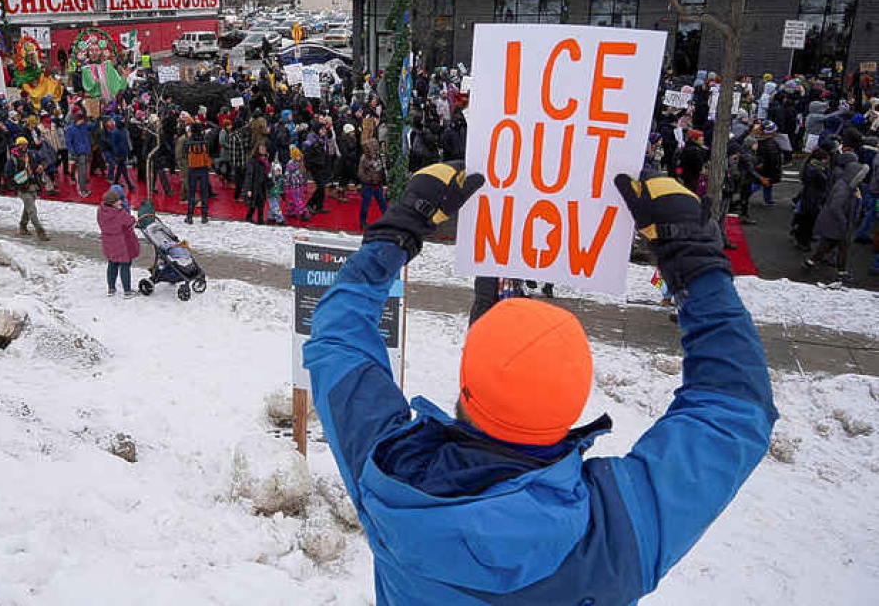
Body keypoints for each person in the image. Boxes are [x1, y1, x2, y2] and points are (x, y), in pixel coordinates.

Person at [304, 163, 776, 605]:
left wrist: (395, 234)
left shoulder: (388, 476)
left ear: (466, 381)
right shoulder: (619, 533)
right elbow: (734, 407)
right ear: (573, 405)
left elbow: (339, 339)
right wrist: (694, 265)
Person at [806, 152, 870, 280]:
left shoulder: (848, 185)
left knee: (828, 244)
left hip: (837, 223)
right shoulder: (844, 188)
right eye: (861, 176)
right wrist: (844, 221)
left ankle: (812, 261)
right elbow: (836, 206)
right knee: (842, 247)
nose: (862, 179)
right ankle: (841, 272)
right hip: (838, 223)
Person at [97, 187, 140, 297]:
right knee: (125, 265)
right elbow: (130, 221)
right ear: (113, 203)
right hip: (122, 244)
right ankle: (127, 291)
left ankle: (111, 288)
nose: (120, 201)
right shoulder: (119, 213)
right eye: (118, 200)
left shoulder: (101, 211)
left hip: (109, 242)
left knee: (112, 264)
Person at [4, 136, 50, 241]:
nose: (23, 146)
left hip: (33, 185)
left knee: (28, 208)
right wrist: (15, 186)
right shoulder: (13, 159)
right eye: (21, 144)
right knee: (32, 210)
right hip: (22, 188)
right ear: (17, 146)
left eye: (25, 144)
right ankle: (41, 232)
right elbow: (8, 175)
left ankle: (22, 227)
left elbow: (44, 160)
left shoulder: (32, 154)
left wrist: (42, 166)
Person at [357, 139, 387, 231]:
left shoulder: (379, 156)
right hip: (368, 185)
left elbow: (381, 168)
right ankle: (362, 222)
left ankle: (387, 221)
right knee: (365, 204)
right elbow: (360, 174)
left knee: (383, 203)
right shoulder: (364, 158)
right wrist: (370, 179)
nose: (376, 149)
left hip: (378, 184)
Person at [65, 109, 94, 198]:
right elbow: (68, 142)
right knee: (82, 172)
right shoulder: (70, 129)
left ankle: (82, 187)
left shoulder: (84, 126)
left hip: (85, 152)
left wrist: (96, 119)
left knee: (84, 172)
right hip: (78, 153)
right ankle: (82, 190)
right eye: (82, 118)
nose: (84, 120)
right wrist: (73, 152)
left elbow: (93, 127)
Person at [243, 144, 270, 226]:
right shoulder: (253, 161)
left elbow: (266, 174)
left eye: (264, 148)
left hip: (262, 186)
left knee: (261, 203)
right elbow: (249, 175)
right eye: (261, 148)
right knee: (253, 204)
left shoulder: (265, 161)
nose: (263, 150)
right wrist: (249, 189)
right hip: (254, 186)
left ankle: (260, 219)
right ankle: (249, 217)